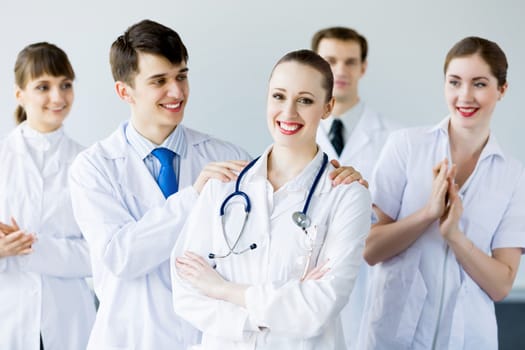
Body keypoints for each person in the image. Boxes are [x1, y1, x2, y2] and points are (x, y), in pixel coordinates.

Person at [68, 20, 363, 349]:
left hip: (218, 338)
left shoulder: (228, 158)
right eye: (159, 81)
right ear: (125, 91)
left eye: (182, 76)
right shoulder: (94, 166)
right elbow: (119, 257)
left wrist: (337, 176)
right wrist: (193, 196)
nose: (177, 92)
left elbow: (279, 211)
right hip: (135, 338)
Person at [171, 49, 372, 349]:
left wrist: (223, 289)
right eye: (279, 96)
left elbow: (320, 306)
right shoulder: (223, 188)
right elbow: (187, 293)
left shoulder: (346, 196)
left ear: (327, 107)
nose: (288, 113)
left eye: (304, 100)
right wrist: (268, 315)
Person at [359, 36, 525, 349]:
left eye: (479, 83)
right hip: (394, 336)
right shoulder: (406, 146)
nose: (465, 95)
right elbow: (369, 249)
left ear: (501, 90)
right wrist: (428, 214)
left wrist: (454, 236)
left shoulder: (513, 176)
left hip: (469, 339)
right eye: (455, 82)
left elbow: (501, 285)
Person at [0, 42, 96, 350]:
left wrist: (33, 248)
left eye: (65, 85)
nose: (58, 97)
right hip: (9, 317)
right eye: (43, 86)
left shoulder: (89, 163)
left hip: (68, 319)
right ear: (20, 94)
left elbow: (100, 253)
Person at [311, 26, 398, 347]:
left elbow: (397, 223)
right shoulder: (293, 137)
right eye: (330, 60)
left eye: (350, 61)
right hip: (310, 289)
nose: (340, 70)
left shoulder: (394, 139)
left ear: (363, 67)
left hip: (372, 286)